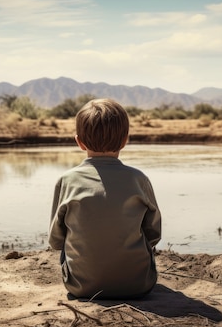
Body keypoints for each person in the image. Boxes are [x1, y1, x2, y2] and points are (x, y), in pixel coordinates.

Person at [48, 98, 162, 299]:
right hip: (138, 285)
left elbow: (56, 240)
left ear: (79, 142)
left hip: (81, 287)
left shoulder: (67, 180)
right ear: (125, 140)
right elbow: (154, 234)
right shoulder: (139, 179)